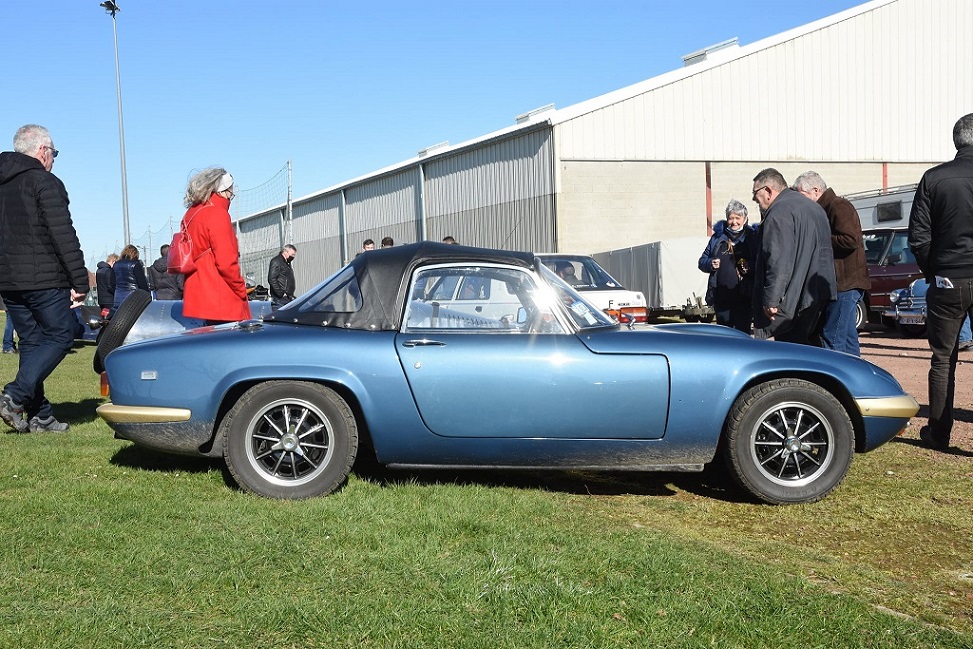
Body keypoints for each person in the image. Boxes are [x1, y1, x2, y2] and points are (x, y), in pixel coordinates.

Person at [0, 124, 88, 433]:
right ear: (42, 151)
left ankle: (41, 416)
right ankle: (14, 396)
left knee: (32, 342)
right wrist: (80, 281)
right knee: (61, 336)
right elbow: (63, 234)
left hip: (9, 280)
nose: (53, 159)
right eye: (54, 153)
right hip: (44, 279)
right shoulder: (44, 182)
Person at [907, 112, 973, 451]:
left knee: (943, 358)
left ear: (956, 141)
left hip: (948, 277)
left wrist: (934, 271)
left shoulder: (934, 178)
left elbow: (918, 236)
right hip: (951, 271)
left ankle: (939, 432)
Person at [751, 168, 836, 345]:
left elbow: (777, 260)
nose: (754, 199)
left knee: (791, 351)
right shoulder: (815, 208)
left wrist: (771, 300)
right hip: (819, 294)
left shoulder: (778, 212)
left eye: (755, 193)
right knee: (812, 349)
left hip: (793, 301)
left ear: (768, 191)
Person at [793, 171, 871, 356]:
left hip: (845, 283)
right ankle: (853, 371)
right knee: (847, 337)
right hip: (838, 284)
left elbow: (851, 240)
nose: (800, 200)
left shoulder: (839, 206)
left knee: (832, 336)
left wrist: (818, 239)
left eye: (802, 194)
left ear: (816, 190)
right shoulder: (823, 209)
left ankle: (834, 371)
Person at [179, 168, 251, 325]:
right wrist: (241, 289)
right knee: (230, 339)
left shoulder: (190, 214)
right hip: (221, 297)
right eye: (231, 192)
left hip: (198, 296)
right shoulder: (217, 214)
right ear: (224, 191)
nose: (231, 197)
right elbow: (226, 263)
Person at [698, 200, 759, 333]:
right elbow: (702, 261)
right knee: (725, 335)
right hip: (722, 299)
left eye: (738, 218)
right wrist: (710, 263)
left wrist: (750, 267)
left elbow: (762, 264)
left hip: (745, 298)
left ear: (745, 219)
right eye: (731, 218)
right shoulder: (717, 238)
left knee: (742, 335)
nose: (734, 222)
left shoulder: (753, 238)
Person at [111, 245, 150, 314]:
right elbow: (142, 284)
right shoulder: (135, 264)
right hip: (133, 298)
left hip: (118, 297)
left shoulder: (116, 265)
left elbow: (112, 283)